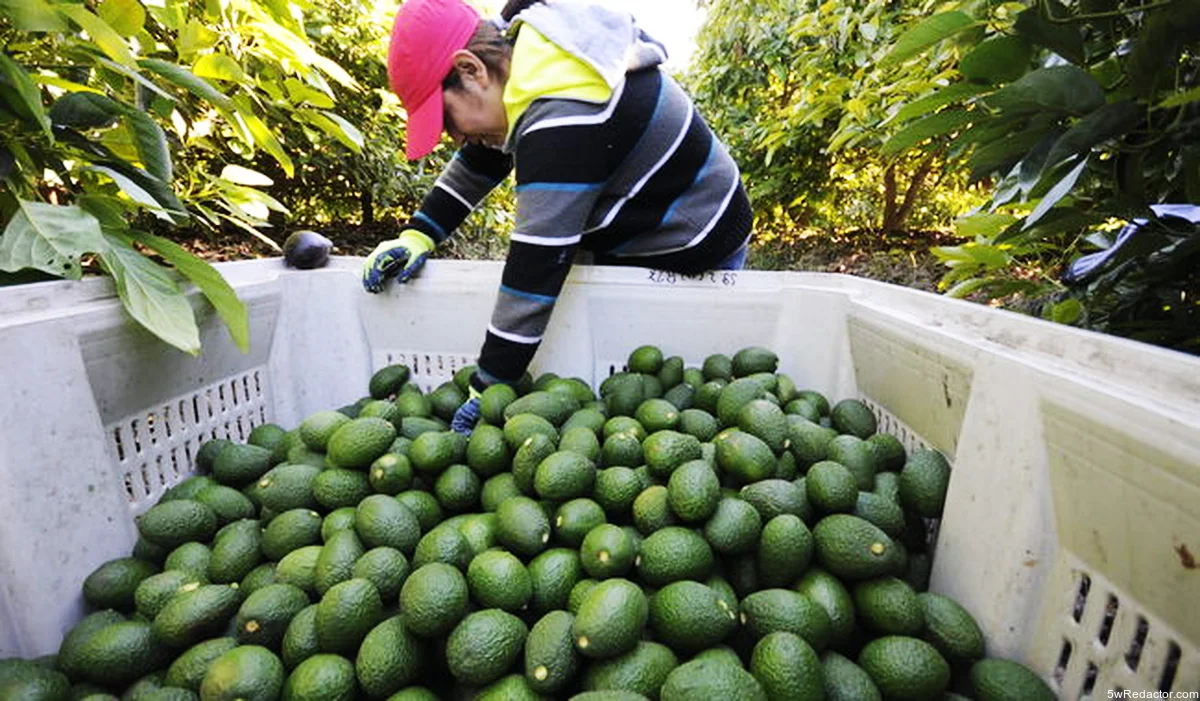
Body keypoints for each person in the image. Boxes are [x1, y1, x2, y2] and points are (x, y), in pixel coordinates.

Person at [363, 0, 753, 434]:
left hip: (694, 236)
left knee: (684, 390)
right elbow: (482, 157)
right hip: (636, 226)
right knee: (622, 388)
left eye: (448, 120)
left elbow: (537, 266)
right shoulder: (530, 59)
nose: (456, 137)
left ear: (471, 69)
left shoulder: (566, 111)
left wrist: (488, 386)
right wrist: (420, 233)